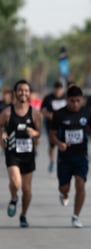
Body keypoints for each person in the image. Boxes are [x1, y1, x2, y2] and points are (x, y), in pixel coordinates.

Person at [49, 85, 91, 228]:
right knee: (64, 188)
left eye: (78, 101)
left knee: (80, 183)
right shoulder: (59, 114)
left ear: (82, 100)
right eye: (72, 101)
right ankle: (64, 194)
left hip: (81, 156)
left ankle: (76, 216)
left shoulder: (87, 112)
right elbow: (52, 134)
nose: (75, 104)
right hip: (64, 157)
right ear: (67, 100)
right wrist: (59, 144)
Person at [0, 79, 42, 227]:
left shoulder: (35, 114)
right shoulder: (6, 113)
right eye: (20, 90)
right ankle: (13, 198)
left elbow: (39, 134)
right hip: (12, 153)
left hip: (28, 154)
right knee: (15, 182)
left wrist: (34, 133)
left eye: (26, 90)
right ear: (15, 93)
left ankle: (23, 215)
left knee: (27, 189)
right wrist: (3, 139)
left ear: (29, 93)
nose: (23, 93)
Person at [41, 80, 67, 173]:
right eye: (57, 89)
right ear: (54, 89)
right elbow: (42, 110)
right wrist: (49, 115)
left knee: (63, 143)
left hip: (64, 125)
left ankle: (62, 161)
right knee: (52, 144)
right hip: (51, 124)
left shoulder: (66, 98)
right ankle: (52, 161)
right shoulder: (48, 98)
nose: (58, 91)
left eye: (60, 89)